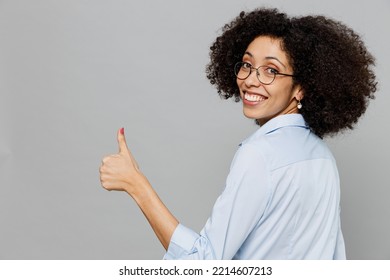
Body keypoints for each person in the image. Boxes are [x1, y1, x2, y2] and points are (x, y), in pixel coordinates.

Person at [99, 8, 376, 259]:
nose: (250, 80)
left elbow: (203, 264)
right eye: (246, 64)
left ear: (301, 88)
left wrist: (136, 184)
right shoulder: (322, 156)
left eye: (271, 70)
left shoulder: (259, 155)